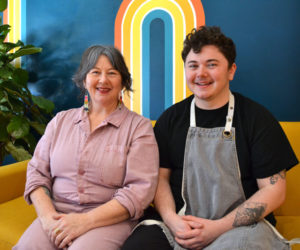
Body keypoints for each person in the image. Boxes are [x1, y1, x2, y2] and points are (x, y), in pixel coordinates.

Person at [121, 26, 299, 249]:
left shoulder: (257, 119)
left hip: (239, 228)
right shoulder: (171, 119)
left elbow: (274, 190)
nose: (201, 74)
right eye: (193, 66)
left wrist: (218, 227)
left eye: (212, 65)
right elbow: (159, 179)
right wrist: (171, 219)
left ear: (231, 70)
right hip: (178, 224)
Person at [13, 45, 159, 250]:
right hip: (58, 215)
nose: (103, 80)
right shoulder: (60, 121)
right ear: (84, 79)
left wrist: (84, 222)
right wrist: (47, 219)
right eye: (95, 72)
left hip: (110, 220)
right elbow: (37, 172)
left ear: (124, 81)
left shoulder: (139, 128)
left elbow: (139, 192)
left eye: (112, 73)